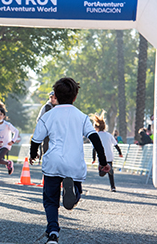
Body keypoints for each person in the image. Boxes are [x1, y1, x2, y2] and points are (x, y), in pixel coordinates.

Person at [29, 77, 110, 244]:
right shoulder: (81, 117)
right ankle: (73, 194)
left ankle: (53, 232)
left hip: (53, 162)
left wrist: (33, 154)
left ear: (56, 97)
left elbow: (36, 139)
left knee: (50, 200)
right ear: (75, 97)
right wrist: (103, 161)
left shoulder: (48, 116)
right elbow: (95, 139)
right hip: (74, 164)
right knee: (73, 194)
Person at [91, 112, 123, 192]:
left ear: (96, 127)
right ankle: (113, 187)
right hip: (109, 155)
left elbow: (94, 148)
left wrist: (93, 158)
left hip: (101, 156)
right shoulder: (109, 135)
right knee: (110, 173)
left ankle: (108, 169)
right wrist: (120, 153)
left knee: (101, 174)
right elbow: (116, 145)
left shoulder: (95, 135)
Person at [36, 91, 58, 161]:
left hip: (57, 131)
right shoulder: (46, 107)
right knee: (46, 145)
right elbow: (39, 119)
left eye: (55, 98)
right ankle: (46, 160)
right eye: (51, 97)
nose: (53, 99)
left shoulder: (60, 107)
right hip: (47, 130)